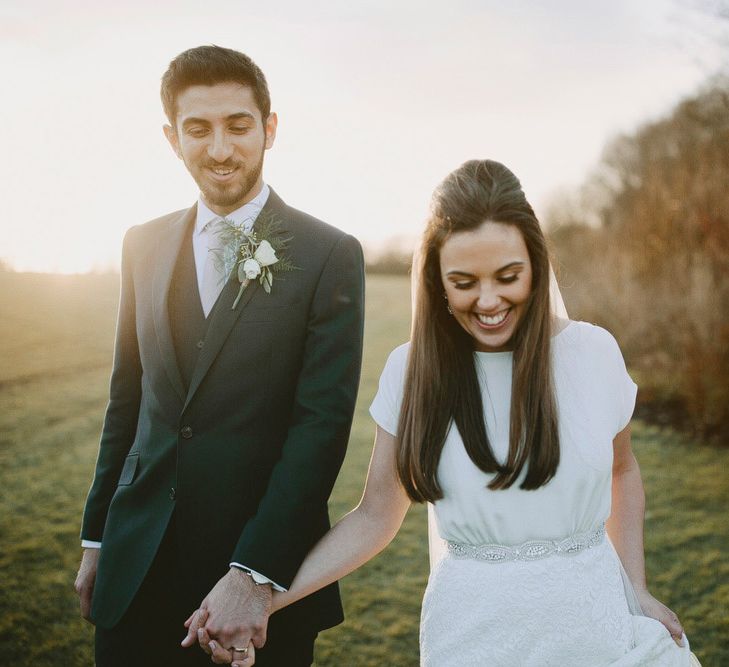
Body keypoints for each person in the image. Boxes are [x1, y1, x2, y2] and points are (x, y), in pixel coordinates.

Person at [268, 159, 695, 666]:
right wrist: (265, 597)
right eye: (464, 281)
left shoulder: (593, 353)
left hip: (594, 631)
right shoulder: (413, 371)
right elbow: (375, 515)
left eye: (507, 276)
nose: (489, 300)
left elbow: (623, 471)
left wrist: (636, 588)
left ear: (536, 266)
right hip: (471, 638)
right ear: (437, 282)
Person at [74, 45, 365, 667]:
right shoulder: (140, 244)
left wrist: (254, 575)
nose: (221, 149)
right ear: (171, 138)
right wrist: (96, 537)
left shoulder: (328, 253)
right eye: (197, 129)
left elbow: (321, 427)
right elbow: (127, 401)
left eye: (238, 125)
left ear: (270, 128)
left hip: (257, 588)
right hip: (135, 569)